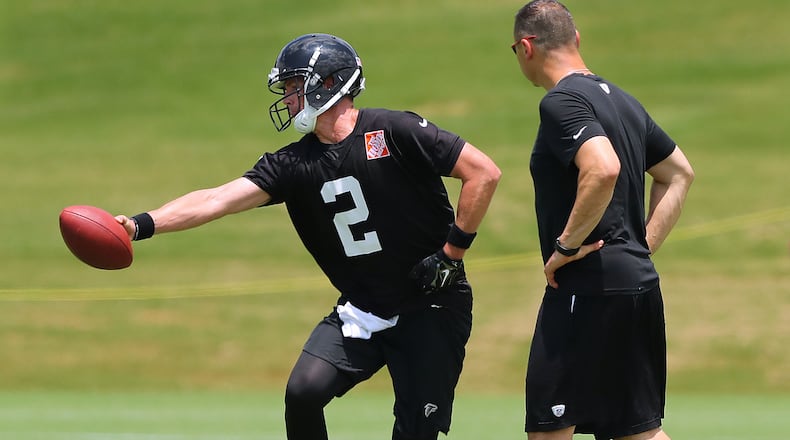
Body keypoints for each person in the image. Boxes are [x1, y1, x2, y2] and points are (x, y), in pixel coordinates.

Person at [115, 33, 501, 440]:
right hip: (364, 309)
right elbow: (216, 199)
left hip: (431, 304)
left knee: (415, 432)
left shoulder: (394, 131)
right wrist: (140, 225)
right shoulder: (293, 164)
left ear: (329, 83)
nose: (286, 99)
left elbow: (483, 173)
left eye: (293, 87)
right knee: (303, 392)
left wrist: (452, 253)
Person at [510, 2, 694, 440]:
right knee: (637, 432)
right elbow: (678, 174)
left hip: (586, 287)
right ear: (576, 39)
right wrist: (639, 248)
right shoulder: (624, 101)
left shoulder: (561, 101)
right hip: (636, 285)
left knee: (549, 431)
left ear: (526, 47)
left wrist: (566, 246)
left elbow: (603, 167)